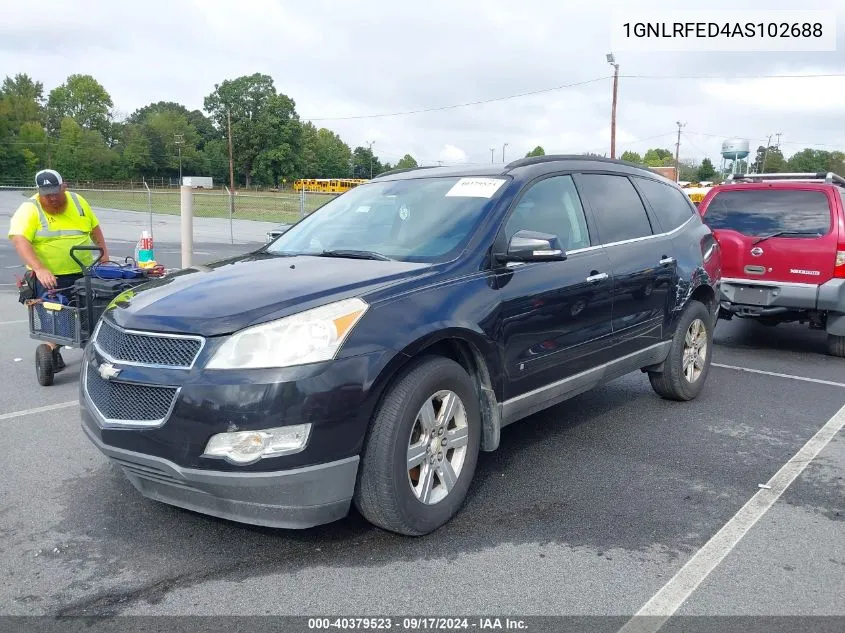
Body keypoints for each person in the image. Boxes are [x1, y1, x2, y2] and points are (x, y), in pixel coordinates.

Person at [7, 169, 109, 371]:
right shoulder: (30, 209)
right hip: (51, 279)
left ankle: (98, 350)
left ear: (64, 186)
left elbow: (95, 228)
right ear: (39, 191)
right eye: (46, 194)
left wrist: (104, 256)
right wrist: (40, 268)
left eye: (55, 192)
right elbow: (20, 240)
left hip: (85, 273)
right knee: (56, 321)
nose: (51, 198)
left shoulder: (78, 201)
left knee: (92, 313)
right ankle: (52, 350)